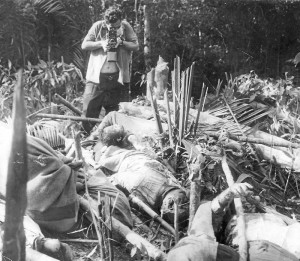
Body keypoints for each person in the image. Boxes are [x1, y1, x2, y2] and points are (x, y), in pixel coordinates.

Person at [0, 124, 133, 235]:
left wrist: (66, 165)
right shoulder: (22, 144)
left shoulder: (13, 141)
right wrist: (70, 171)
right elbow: (50, 172)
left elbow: (50, 161)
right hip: (53, 213)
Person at [91, 112, 189, 223]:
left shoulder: (170, 184)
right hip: (135, 159)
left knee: (109, 125)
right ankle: (93, 136)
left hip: (135, 160)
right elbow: (114, 177)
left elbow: (113, 178)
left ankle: (94, 137)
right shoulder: (142, 181)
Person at [167, 182, 300, 261]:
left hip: (274, 233)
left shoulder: (197, 240)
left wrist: (230, 192)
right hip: (265, 245)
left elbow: (211, 209)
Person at [81, 5, 139, 134]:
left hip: (118, 79)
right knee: (88, 111)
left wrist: (122, 42)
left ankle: (113, 141)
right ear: (105, 22)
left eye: (118, 26)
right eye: (112, 27)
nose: (115, 28)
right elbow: (85, 45)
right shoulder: (98, 26)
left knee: (117, 113)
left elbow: (136, 46)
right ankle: (85, 139)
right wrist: (101, 43)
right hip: (97, 79)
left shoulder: (126, 26)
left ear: (121, 21)